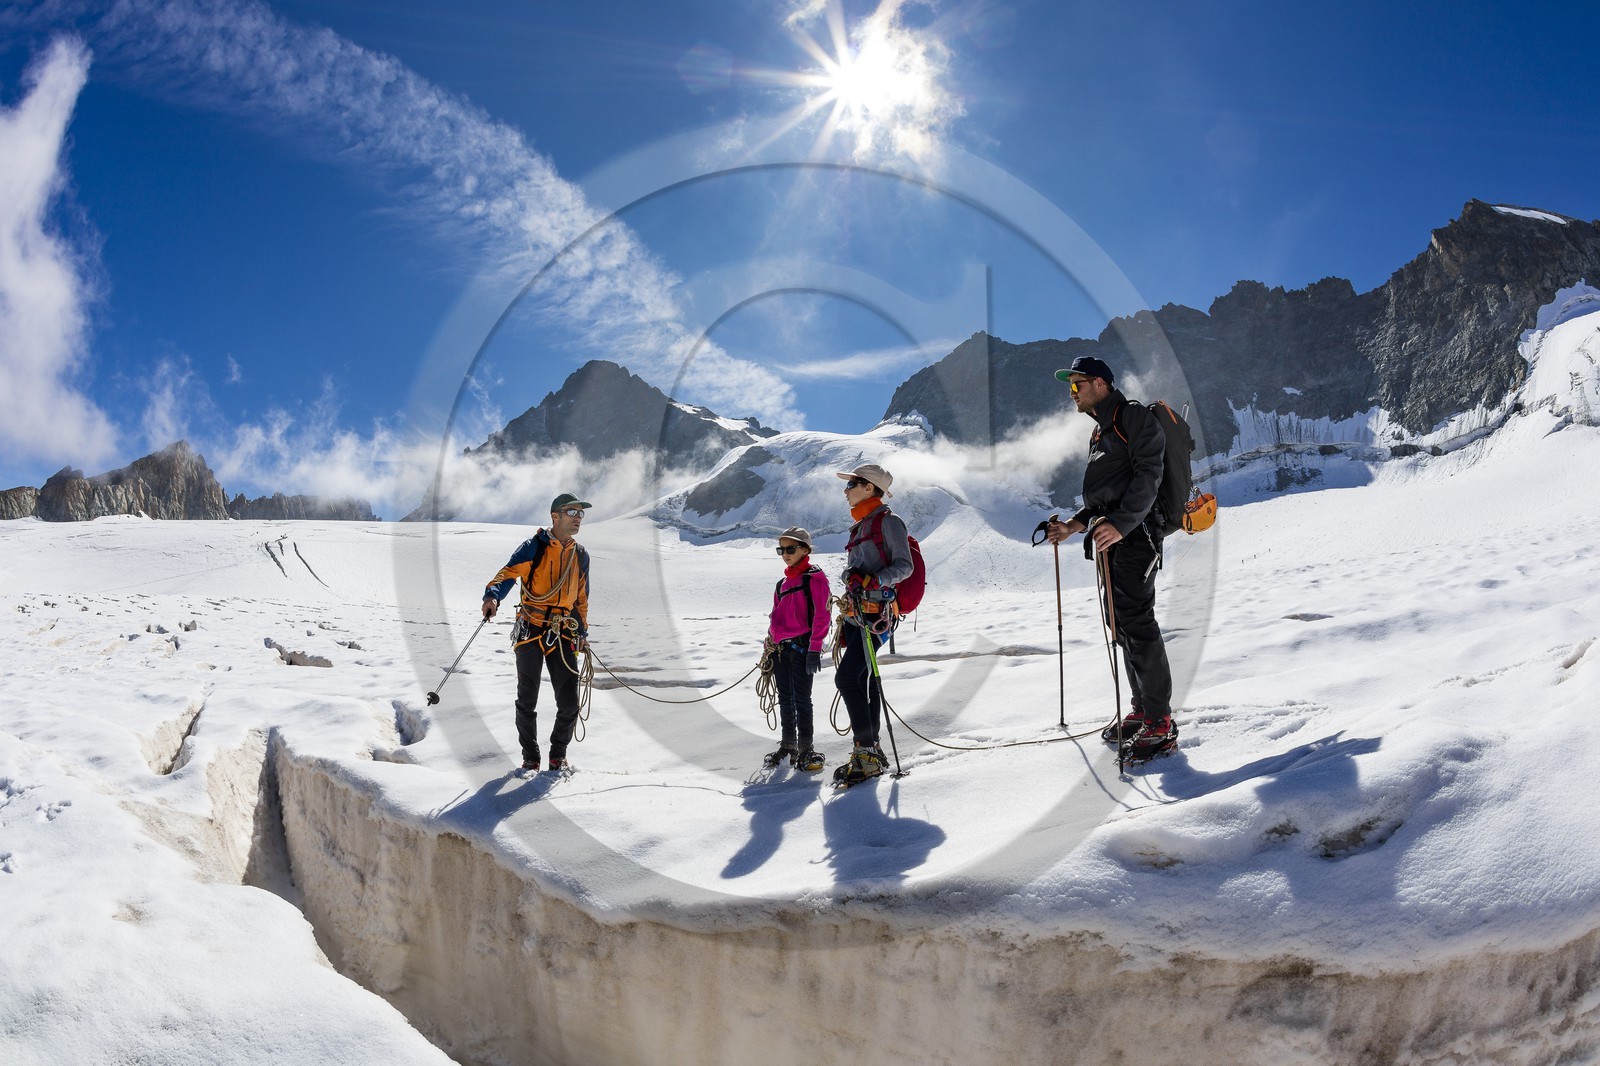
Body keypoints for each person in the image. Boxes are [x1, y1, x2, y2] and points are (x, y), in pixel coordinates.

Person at [1045, 356, 1178, 761]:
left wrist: (1121, 524)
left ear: (1099, 384)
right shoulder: (1100, 434)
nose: (1072, 394)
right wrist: (1073, 525)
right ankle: (1142, 710)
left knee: (1137, 622)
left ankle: (1161, 722)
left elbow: (1148, 476)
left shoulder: (1132, 417)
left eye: (1077, 385)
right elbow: (1104, 498)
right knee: (1120, 623)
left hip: (1136, 537)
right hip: (1114, 540)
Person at [481, 492, 592, 773]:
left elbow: (581, 599)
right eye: (572, 512)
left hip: (564, 631)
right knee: (527, 697)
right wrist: (492, 597)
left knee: (570, 701)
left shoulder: (580, 555)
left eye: (580, 513)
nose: (578, 518)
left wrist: (582, 631)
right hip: (530, 629)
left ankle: (558, 755)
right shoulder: (535, 547)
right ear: (555, 516)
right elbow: (507, 574)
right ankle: (530, 758)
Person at [833, 463, 914, 783]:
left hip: (876, 615)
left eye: (851, 483)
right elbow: (855, 569)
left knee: (847, 678)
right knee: (862, 680)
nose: (846, 489)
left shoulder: (889, 521)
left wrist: (872, 579)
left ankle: (866, 752)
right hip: (857, 615)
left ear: (869, 488)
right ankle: (870, 751)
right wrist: (851, 576)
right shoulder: (860, 526)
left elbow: (904, 566)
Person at [763, 526, 832, 772]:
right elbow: (775, 616)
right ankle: (789, 744)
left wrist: (815, 649)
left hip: (803, 648)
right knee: (785, 699)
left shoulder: (814, 578)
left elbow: (822, 616)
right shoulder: (782, 583)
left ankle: (806, 748)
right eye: (781, 549)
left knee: (802, 700)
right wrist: (770, 641)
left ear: (805, 549)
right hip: (781, 650)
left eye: (790, 549)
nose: (785, 554)